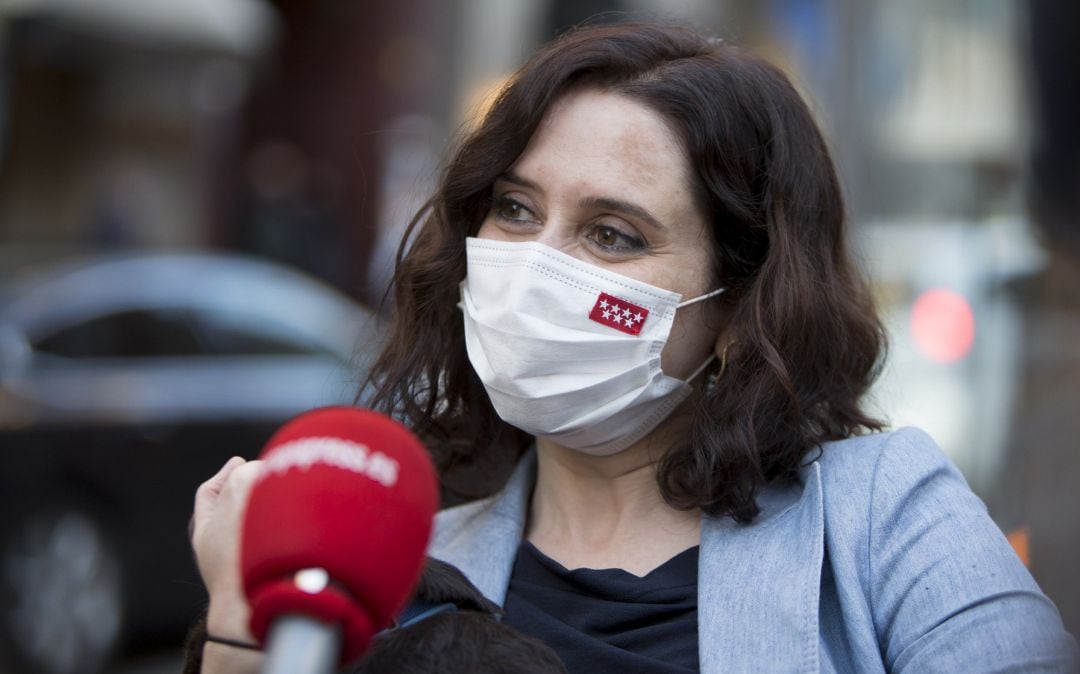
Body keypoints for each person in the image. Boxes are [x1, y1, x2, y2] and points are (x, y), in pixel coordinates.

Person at [190, 22, 1079, 673]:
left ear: (737, 303)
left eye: (611, 235)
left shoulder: (883, 518)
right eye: (516, 209)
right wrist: (239, 634)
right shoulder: (392, 557)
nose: (537, 266)